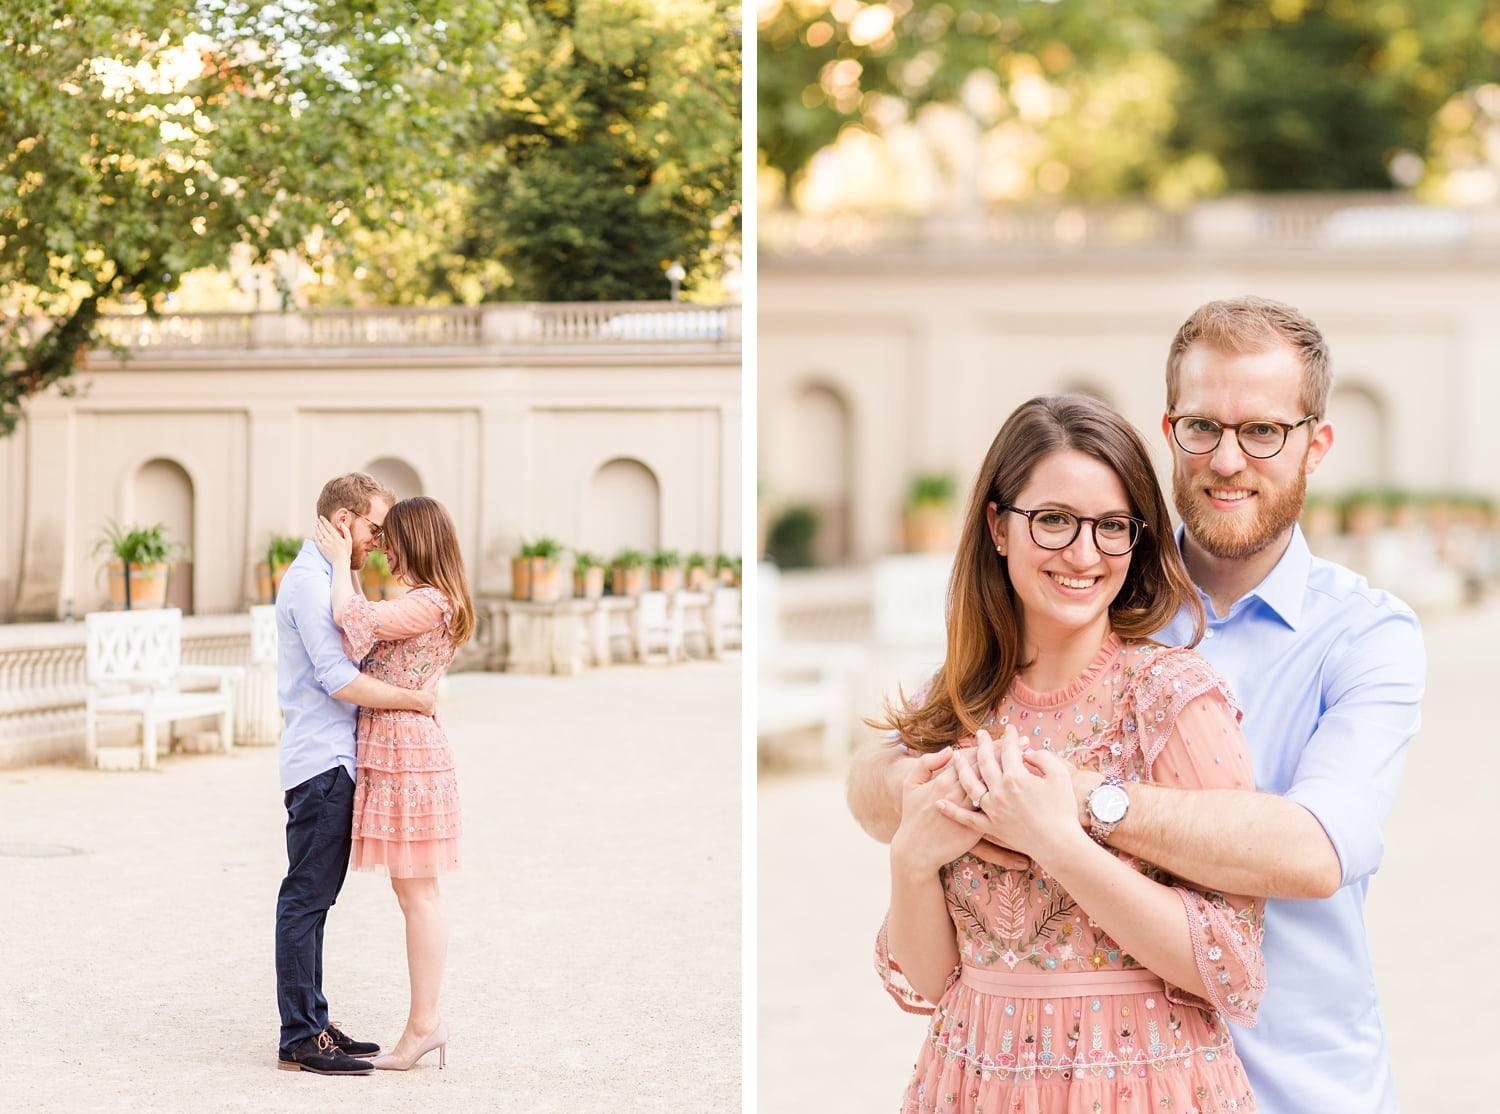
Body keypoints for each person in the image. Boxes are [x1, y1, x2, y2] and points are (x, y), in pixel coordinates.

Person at [850, 296, 1425, 1114]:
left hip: (1296, 1084)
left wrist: (1066, 803)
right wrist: (938, 799)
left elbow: (1315, 853)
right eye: (1203, 428)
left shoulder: (1365, 635)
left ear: (1315, 444)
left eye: (1262, 431)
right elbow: (884, 768)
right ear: (1170, 432)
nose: (1229, 459)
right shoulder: (1085, 603)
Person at [876, 393, 1265, 1112]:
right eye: (1053, 519)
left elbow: (1233, 968)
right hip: (972, 1084)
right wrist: (910, 856)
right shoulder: (957, 704)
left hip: (1144, 1087)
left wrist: (1058, 842)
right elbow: (940, 986)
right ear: (998, 525)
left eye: (1112, 527)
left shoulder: (1173, 700)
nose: (1084, 555)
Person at [274, 471, 437, 1077]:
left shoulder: (325, 578)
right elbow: (338, 679)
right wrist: (414, 700)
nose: (379, 539)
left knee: (315, 898)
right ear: (344, 523)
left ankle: (311, 1020)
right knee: (305, 899)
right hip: (322, 763)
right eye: (373, 526)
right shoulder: (311, 586)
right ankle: (300, 1036)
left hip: (330, 759)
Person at [313, 494, 474, 1072]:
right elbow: (360, 634)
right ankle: (423, 1023)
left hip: (408, 754)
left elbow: (350, 620)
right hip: (401, 750)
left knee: (418, 894)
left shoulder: (429, 603)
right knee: (413, 893)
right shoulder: (426, 601)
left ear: (416, 540)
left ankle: (424, 1024)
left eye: (390, 537)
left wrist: (336, 564)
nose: (381, 547)